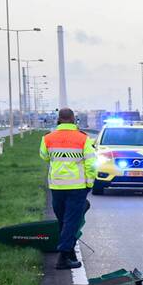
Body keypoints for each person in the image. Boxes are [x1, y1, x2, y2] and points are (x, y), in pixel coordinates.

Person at [39, 108, 96, 270]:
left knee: (63, 221)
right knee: (71, 221)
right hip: (77, 186)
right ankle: (63, 257)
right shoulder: (83, 139)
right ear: (73, 120)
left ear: (58, 120)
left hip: (57, 186)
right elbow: (91, 163)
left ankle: (69, 252)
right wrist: (90, 183)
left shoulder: (48, 138)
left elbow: (44, 156)